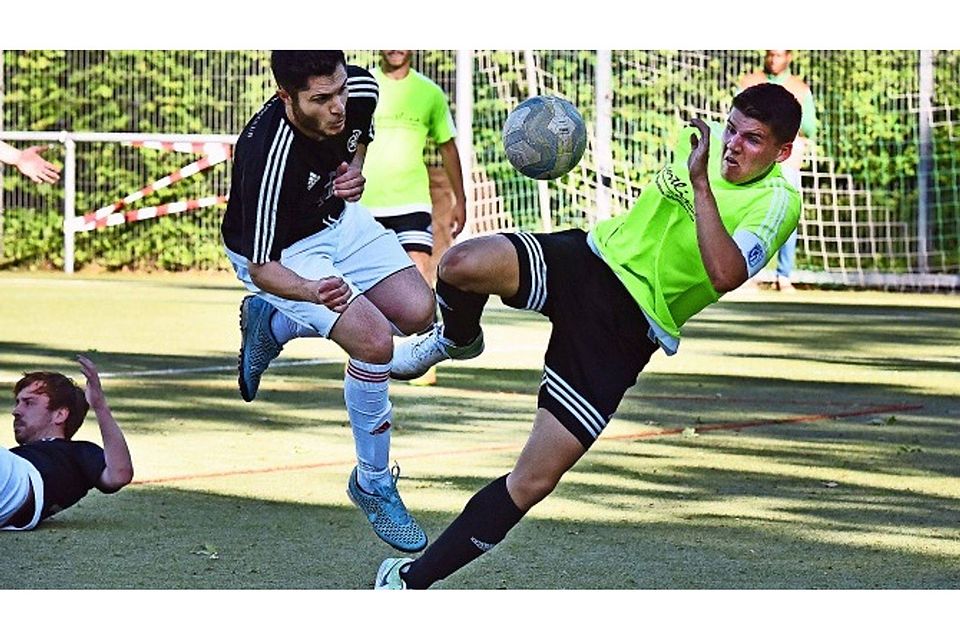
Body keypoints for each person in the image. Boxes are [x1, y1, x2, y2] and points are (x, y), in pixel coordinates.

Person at [373, 83, 803, 589]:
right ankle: (456, 339)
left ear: (781, 152)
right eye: (731, 129)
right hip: (589, 262)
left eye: (752, 139)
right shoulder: (696, 144)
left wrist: (701, 187)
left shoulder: (778, 202)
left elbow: (725, 273)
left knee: (533, 480)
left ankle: (409, 582)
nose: (732, 145)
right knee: (460, 264)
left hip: (626, 329)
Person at [220, 51, 436, 553]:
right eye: (321, 99)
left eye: (339, 89)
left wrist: (354, 171)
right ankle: (373, 482)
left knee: (418, 312)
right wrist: (310, 291)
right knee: (374, 341)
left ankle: (272, 326)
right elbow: (262, 268)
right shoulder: (266, 155)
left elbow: (360, 127)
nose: (338, 105)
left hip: (340, 222)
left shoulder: (358, 90)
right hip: (284, 254)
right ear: (286, 97)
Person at [360, 50, 468, 386]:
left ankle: (422, 357)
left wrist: (460, 199)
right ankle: (368, 353)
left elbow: (447, 147)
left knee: (419, 277)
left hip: (411, 200)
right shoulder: (361, 85)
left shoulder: (429, 92)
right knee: (364, 284)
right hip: (364, 201)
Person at [1, 356, 133, 531]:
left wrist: (100, 406)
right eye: (18, 402)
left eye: (29, 403)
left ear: (60, 415)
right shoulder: (18, 455)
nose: (16, 411)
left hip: (19, 484)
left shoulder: (76, 452)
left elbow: (119, 474)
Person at [739, 49, 817, 291]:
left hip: (787, 162)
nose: (774, 60)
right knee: (745, 211)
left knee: (787, 215)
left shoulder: (800, 88)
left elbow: (809, 127)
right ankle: (743, 272)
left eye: (779, 55)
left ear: (789, 57)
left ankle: (784, 275)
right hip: (752, 159)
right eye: (771, 54)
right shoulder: (750, 82)